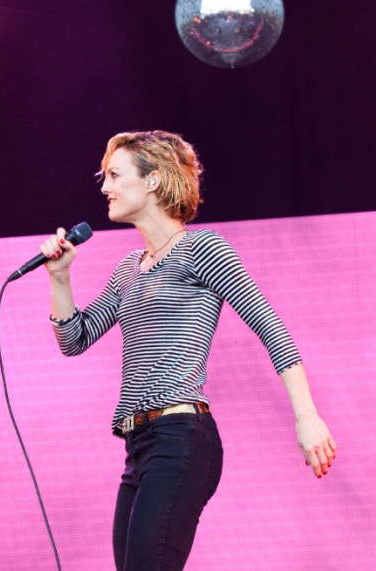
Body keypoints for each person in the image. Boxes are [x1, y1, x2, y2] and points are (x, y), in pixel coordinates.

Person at [38, 130, 336, 571]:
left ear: (153, 180)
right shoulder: (128, 268)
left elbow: (271, 328)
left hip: (180, 437)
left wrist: (307, 417)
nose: (105, 187)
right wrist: (60, 278)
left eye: (115, 175)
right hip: (138, 446)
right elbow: (74, 339)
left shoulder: (202, 249)